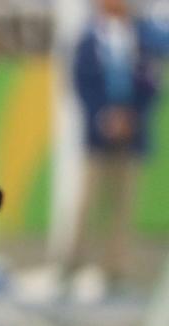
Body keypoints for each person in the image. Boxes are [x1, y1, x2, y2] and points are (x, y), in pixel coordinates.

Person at [69, 0, 168, 292]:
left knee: (123, 203)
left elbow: (152, 81)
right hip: (98, 132)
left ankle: (115, 268)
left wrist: (131, 115)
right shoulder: (88, 39)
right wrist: (104, 116)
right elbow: (81, 83)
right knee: (87, 201)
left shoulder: (143, 38)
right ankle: (73, 264)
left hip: (132, 132)